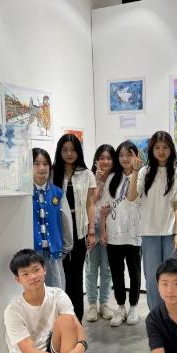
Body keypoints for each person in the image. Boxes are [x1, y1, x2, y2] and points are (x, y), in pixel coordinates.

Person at [4, 249, 127, 353]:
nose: (32, 276)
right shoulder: (13, 310)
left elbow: (77, 327)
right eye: (25, 274)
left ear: (44, 269)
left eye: (36, 270)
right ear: (18, 279)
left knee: (66, 320)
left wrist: (79, 349)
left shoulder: (57, 294)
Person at [127, 131, 177, 311]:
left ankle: (172, 315)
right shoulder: (144, 172)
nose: (161, 151)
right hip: (149, 233)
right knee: (153, 279)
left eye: (165, 147)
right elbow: (131, 196)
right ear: (151, 150)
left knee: (172, 278)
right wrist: (135, 171)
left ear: (171, 149)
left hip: (171, 233)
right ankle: (156, 316)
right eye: (157, 147)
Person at [53, 134, 96, 322]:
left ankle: (77, 318)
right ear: (59, 151)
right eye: (65, 150)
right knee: (61, 274)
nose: (69, 154)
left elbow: (90, 204)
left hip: (80, 229)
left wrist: (91, 231)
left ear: (78, 152)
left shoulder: (86, 174)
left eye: (73, 150)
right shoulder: (53, 173)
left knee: (76, 274)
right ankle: (62, 317)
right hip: (58, 229)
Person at [99, 141, 142, 326]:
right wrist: (103, 231)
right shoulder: (112, 178)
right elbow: (104, 207)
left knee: (134, 272)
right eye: (121, 155)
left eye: (129, 154)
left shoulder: (142, 175)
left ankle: (134, 307)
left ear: (136, 156)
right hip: (114, 234)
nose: (125, 158)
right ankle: (121, 307)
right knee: (117, 273)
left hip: (134, 234)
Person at [32, 148, 73, 290]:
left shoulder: (57, 193)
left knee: (56, 290)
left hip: (54, 251)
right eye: (37, 164)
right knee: (35, 290)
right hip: (32, 252)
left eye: (45, 164)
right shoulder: (24, 195)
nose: (42, 168)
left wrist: (67, 246)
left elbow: (66, 221)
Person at [84, 144, 116, 322]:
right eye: (102, 158)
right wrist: (98, 180)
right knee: (91, 269)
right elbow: (92, 201)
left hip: (109, 229)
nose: (105, 161)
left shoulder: (117, 178)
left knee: (107, 268)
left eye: (109, 158)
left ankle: (104, 303)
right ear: (96, 160)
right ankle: (91, 305)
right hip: (92, 228)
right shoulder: (90, 177)